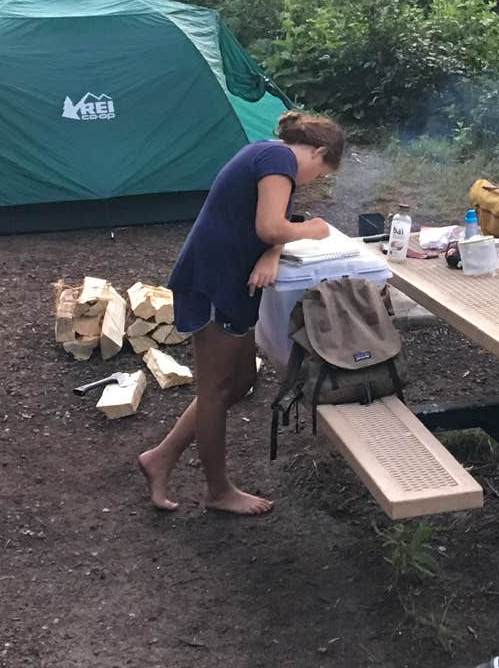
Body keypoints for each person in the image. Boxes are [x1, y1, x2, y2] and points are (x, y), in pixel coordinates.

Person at [137, 111, 346, 515]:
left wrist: (274, 251)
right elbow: (272, 225)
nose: (314, 181)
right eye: (320, 173)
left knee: (241, 381)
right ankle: (218, 491)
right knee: (215, 390)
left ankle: (160, 456)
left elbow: (271, 229)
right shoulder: (278, 161)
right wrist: (313, 230)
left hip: (233, 281)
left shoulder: (269, 158)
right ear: (318, 151)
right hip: (213, 278)